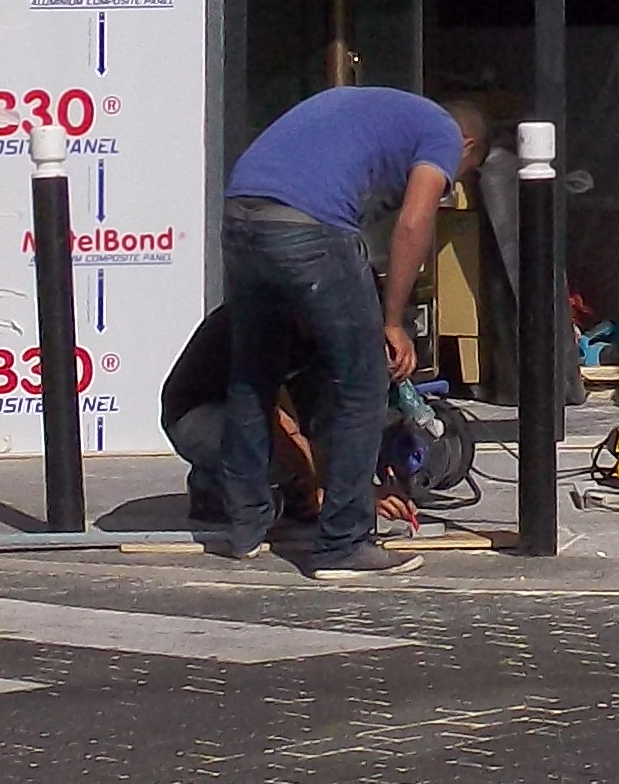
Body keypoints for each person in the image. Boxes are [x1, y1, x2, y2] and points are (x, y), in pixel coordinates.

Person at [206, 85, 483, 575]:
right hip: (308, 227)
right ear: (468, 147)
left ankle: (245, 525)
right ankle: (343, 544)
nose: (448, 183)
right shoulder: (443, 131)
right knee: (363, 381)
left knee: (254, 372)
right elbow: (414, 223)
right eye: (458, 175)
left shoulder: (373, 110)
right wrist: (392, 321)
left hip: (241, 214)